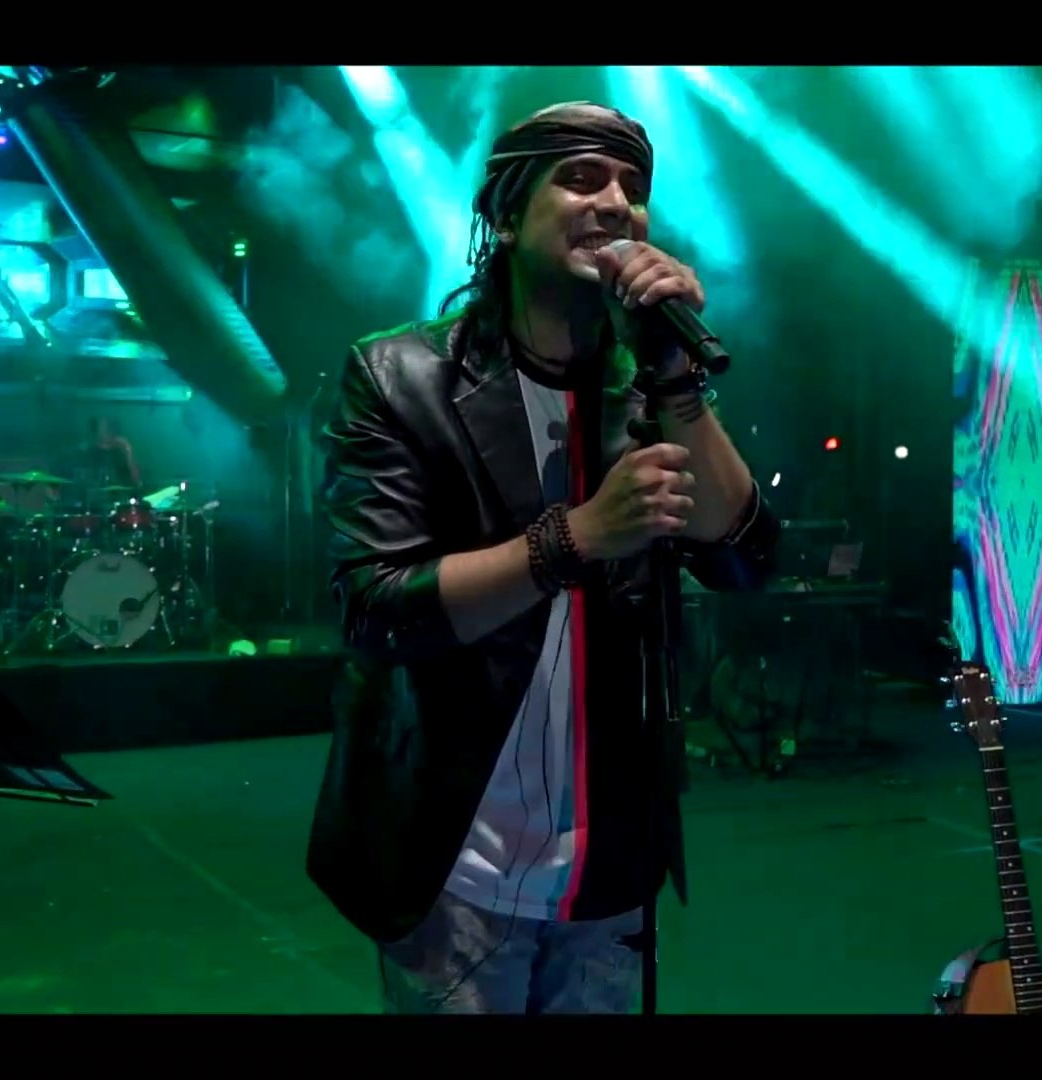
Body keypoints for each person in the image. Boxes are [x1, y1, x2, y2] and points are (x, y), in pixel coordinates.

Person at [305, 101, 780, 1013]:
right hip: (456, 868)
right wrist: (577, 537)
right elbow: (376, 609)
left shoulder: (642, 391)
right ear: (506, 213)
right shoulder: (401, 378)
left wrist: (674, 377)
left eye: (633, 188)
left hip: (607, 877)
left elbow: (744, 559)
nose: (615, 204)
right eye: (581, 179)